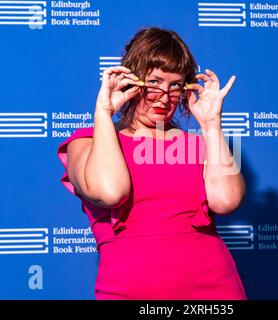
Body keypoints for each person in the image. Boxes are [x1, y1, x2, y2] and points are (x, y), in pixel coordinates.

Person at [57, 27, 247, 300]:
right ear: (131, 80)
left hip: (213, 289)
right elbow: (110, 192)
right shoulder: (86, 141)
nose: (164, 95)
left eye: (175, 85)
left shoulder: (199, 143)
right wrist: (104, 112)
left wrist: (211, 125)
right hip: (127, 291)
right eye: (155, 82)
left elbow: (226, 201)